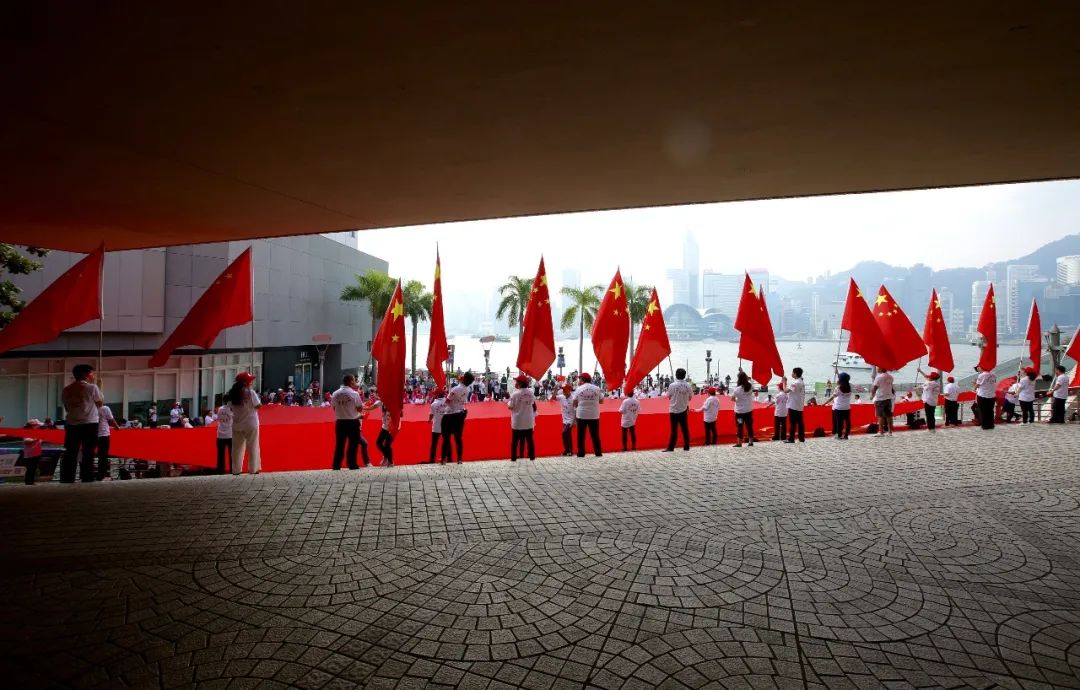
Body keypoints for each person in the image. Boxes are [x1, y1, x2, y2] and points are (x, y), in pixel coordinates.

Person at [60, 363, 104, 483]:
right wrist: (100, 387)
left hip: (72, 423)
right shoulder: (92, 388)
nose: (93, 375)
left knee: (71, 451)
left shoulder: (67, 389)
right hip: (89, 423)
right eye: (91, 373)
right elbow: (100, 403)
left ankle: (68, 477)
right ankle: (87, 476)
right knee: (88, 451)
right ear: (86, 375)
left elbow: (66, 407)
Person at [331, 374, 369, 470]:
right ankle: (352, 464)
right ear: (351, 381)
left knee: (340, 444)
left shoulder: (335, 393)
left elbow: (334, 407)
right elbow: (360, 409)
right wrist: (356, 409)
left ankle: (336, 465)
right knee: (353, 444)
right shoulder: (354, 394)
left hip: (340, 422)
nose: (355, 382)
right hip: (352, 422)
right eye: (354, 380)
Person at [228, 372, 262, 474]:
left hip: (237, 423)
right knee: (252, 446)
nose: (251, 382)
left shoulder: (232, 394)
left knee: (236, 448)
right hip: (251, 422)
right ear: (245, 382)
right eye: (250, 380)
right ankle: (253, 469)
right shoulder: (250, 392)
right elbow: (259, 405)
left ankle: (236, 470)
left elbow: (230, 407)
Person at [442, 372, 473, 464]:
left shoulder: (455, 389)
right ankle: (459, 459)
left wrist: (445, 396)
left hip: (450, 414)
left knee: (446, 438)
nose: (460, 376)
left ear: (463, 379)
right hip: (460, 415)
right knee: (458, 438)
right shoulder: (466, 389)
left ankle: (444, 458)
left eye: (463, 376)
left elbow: (447, 401)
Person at [572, 372, 603, 457]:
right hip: (594, 414)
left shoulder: (579, 389)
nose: (579, 380)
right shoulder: (597, 388)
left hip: (581, 415)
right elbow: (601, 401)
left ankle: (581, 453)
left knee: (581, 435)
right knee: (595, 435)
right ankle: (598, 452)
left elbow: (574, 403)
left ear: (583, 379)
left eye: (580, 379)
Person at [508, 375, 537, 461]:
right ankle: (532, 456)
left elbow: (510, 407)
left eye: (517, 381)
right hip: (528, 420)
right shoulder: (531, 392)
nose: (515, 383)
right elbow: (532, 402)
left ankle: (513, 457)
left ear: (520, 383)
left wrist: (509, 404)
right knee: (530, 440)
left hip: (518, 421)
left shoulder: (515, 394)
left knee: (515, 441)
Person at [663, 368, 692, 452]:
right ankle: (686, 446)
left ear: (676, 375)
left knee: (674, 430)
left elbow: (668, 396)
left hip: (674, 410)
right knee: (685, 429)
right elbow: (690, 398)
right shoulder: (688, 385)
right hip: (684, 409)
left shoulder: (672, 385)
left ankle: (671, 447)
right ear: (684, 376)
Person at [823, 372, 852, 439]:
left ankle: (839, 435)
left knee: (839, 422)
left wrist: (824, 403)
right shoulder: (850, 386)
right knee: (848, 422)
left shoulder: (838, 388)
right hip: (847, 407)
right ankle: (846, 435)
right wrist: (838, 373)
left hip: (839, 408)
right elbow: (845, 378)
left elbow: (832, 397)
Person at [731, 371, 755, 447]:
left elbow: (732, 399)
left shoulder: (737, 389)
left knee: (740, 426)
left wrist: (737, 400)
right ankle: (751, 442)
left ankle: (739, 443)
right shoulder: (750, 386)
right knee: (749, 426)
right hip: (748, 410)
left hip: (739, 412)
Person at [95, 401, 119, 480]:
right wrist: (117, 427)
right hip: (104, 434)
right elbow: (111, 420)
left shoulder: (92, 410)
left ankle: (94, 474)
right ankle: (102, 475)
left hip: (94, 435)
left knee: (97, 456)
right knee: (103, 456)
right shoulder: (105, 408)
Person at [871, 367, 895, 436]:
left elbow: (874, 388)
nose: (877, 368)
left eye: (878, 367)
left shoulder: (879, 377)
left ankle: (881, 432)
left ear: (881, 368)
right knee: (889, 416)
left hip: (880, 398)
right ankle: (890, 432)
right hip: (888, 398)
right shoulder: (891, 377)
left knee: (880, 416)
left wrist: (872, 396)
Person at [785, 367, 806, 443]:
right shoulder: (801, 382)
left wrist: (784, 382)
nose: (792, 374)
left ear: (795, 374)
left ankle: (791, 438)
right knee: (800, 422)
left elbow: (785, 391)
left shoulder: (795, 383)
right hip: (799, 405)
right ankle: (801, 438)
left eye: (793, 372)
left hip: (793, 405)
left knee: (793, 423)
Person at [973, 365, 997, 430]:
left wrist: (974, 388)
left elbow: (977, 385)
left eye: (979, 367)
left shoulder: (982, 375)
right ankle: (991, 425)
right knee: (990, 411)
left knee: (982, 411)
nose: (978, 368)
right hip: (992, 395)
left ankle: (985, 425)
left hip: (983, 395)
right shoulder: (993, 374)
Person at [428, 389, 447, 463]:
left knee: (434, 444)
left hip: (436, 426)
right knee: (446, 442)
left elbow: (431, 414)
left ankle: (432, 460)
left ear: (437, 395)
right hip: (446, 425)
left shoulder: (434, 404)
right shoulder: (447, 402)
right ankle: (445, 458)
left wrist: (429, 420)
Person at [215, 397, 233, 474]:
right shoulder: (232, 409)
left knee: (220, 454)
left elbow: (218, 419)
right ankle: (233, 470)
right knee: (232, 454)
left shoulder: (220, 409)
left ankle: (220, 470)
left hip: (220, 434)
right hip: (230, 434)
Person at [557, 384, 576, 456]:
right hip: (564, 419)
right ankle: (568, 450)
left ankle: (569, 450)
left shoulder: (573, 399)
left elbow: (576, 411)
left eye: (565, 390)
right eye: (563, 390)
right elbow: (552, 398)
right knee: (567, 435)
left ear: (569, 390)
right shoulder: (562, 397)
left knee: (564, 433)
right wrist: (556, 389)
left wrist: (574, 422)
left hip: (571, 420)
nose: (563, 391)